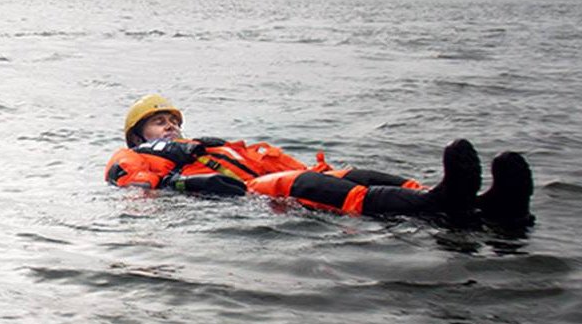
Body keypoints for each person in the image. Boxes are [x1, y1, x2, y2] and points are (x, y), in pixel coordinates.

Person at [105, 93, 535, 227]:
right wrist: (188, 184)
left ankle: (464, 198)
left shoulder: (208, 143)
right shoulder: (132, 157)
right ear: (137, 134)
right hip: (249, 193)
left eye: (171, 121)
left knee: (346, 173)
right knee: (299, 186)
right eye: (158, 123)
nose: (169, 128)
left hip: (267, 175)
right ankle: (432, 208)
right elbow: (135, 185)